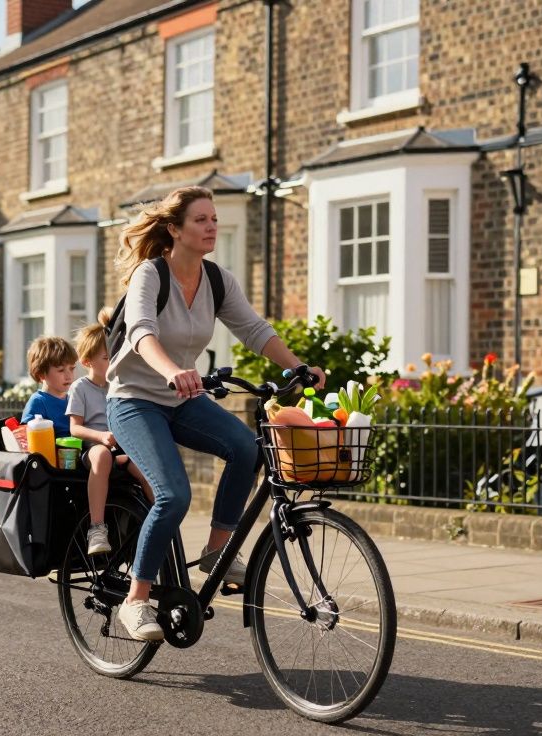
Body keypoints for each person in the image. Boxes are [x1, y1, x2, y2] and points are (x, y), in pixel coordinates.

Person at [106, 186, 325, 642]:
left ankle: (216, 552)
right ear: (175, 230)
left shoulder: (217, 279)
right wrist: (171, 371)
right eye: (201, 220)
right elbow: (142, 330)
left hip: (181, 399)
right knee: (173, 494)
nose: (211, 227)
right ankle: (135, 601)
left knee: (247, 447)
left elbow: (253, 329)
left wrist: (297, 367)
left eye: (214, 219)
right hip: (133, 400)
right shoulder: (152, 274)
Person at [68, 308, 150, 555]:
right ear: (87, 362)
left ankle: (158, 526)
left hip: (120, 447)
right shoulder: (80, 388)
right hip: (93, 447)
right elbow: (75, 428)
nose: (112, 361)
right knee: (102, 455)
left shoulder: (117, 386)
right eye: (106, 358)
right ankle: (97, 528)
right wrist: (101, 437)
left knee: (149, 468)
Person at [20, 336, 77, 437]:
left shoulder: (73, 399)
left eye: (72, 369)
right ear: (41, 374)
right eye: (61, 370)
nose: (69, 376)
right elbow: (26, 436)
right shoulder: (38, 401)